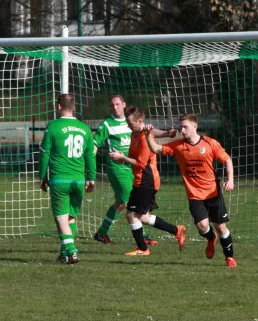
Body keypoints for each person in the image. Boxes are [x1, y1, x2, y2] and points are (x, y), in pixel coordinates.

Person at [145, 114, 237, 268]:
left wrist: (231, 180)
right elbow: (155, 148)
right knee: (202, 226)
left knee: (221, 226)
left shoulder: (210, 143)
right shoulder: (179, 146)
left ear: (195, 127)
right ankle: (210, 238)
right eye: (181, 126)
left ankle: (230, 258)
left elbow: (227, 159)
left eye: (185, 126)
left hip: (213, 193)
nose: (182, 130)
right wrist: (148, 135)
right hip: (194, 195)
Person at [93, 94, 177, 245]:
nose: (115, 107)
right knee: (127, 202)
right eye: (112, 105)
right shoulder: (107, 124)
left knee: (122, 203)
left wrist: (166, 134)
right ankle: (143, 238)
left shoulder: (131, 121)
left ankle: (102, 232)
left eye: (118, 104)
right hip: (117, 168)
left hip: (134, 168)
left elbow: (149, 131)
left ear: (124, 105)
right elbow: (95, 144)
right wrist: (89, 166)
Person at [109, 106, 186, 257]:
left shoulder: (144, 139)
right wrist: (165, 133)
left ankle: (143, 249)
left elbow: (140, 164)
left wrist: (122, 158)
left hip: (146, 181)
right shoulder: (137, 132)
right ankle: (177, 230)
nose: (128, 126)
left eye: (131, 123)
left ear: (139, 121)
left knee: (131, 215)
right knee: (142, 216)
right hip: (143, 180)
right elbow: (151, 130)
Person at [39, 94, 96, 264]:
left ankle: (72, 250)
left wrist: (42, 176)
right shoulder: (85, 128)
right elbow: (90, 156)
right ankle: (65, 254)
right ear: (74, 107)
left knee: (60, 217)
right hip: (78, 180)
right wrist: (91, 178)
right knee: (70, 217)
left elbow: (45, 154)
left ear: (58, 107)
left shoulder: (53, 127)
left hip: (60, 179)